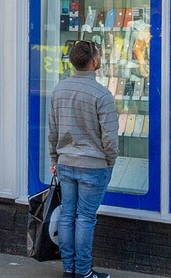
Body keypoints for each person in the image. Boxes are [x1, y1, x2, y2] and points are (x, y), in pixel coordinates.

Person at [49, 38, 119, 278]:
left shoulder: (59, 90)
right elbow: (110, 137)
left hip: (66, 162)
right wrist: (110, 160)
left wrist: (54, 159)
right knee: (86, 218)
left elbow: (53, 130)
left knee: (67, 216)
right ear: (94, 62)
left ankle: (68, 269)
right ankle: (83, 271)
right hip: (94, 165)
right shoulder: (102, 95)